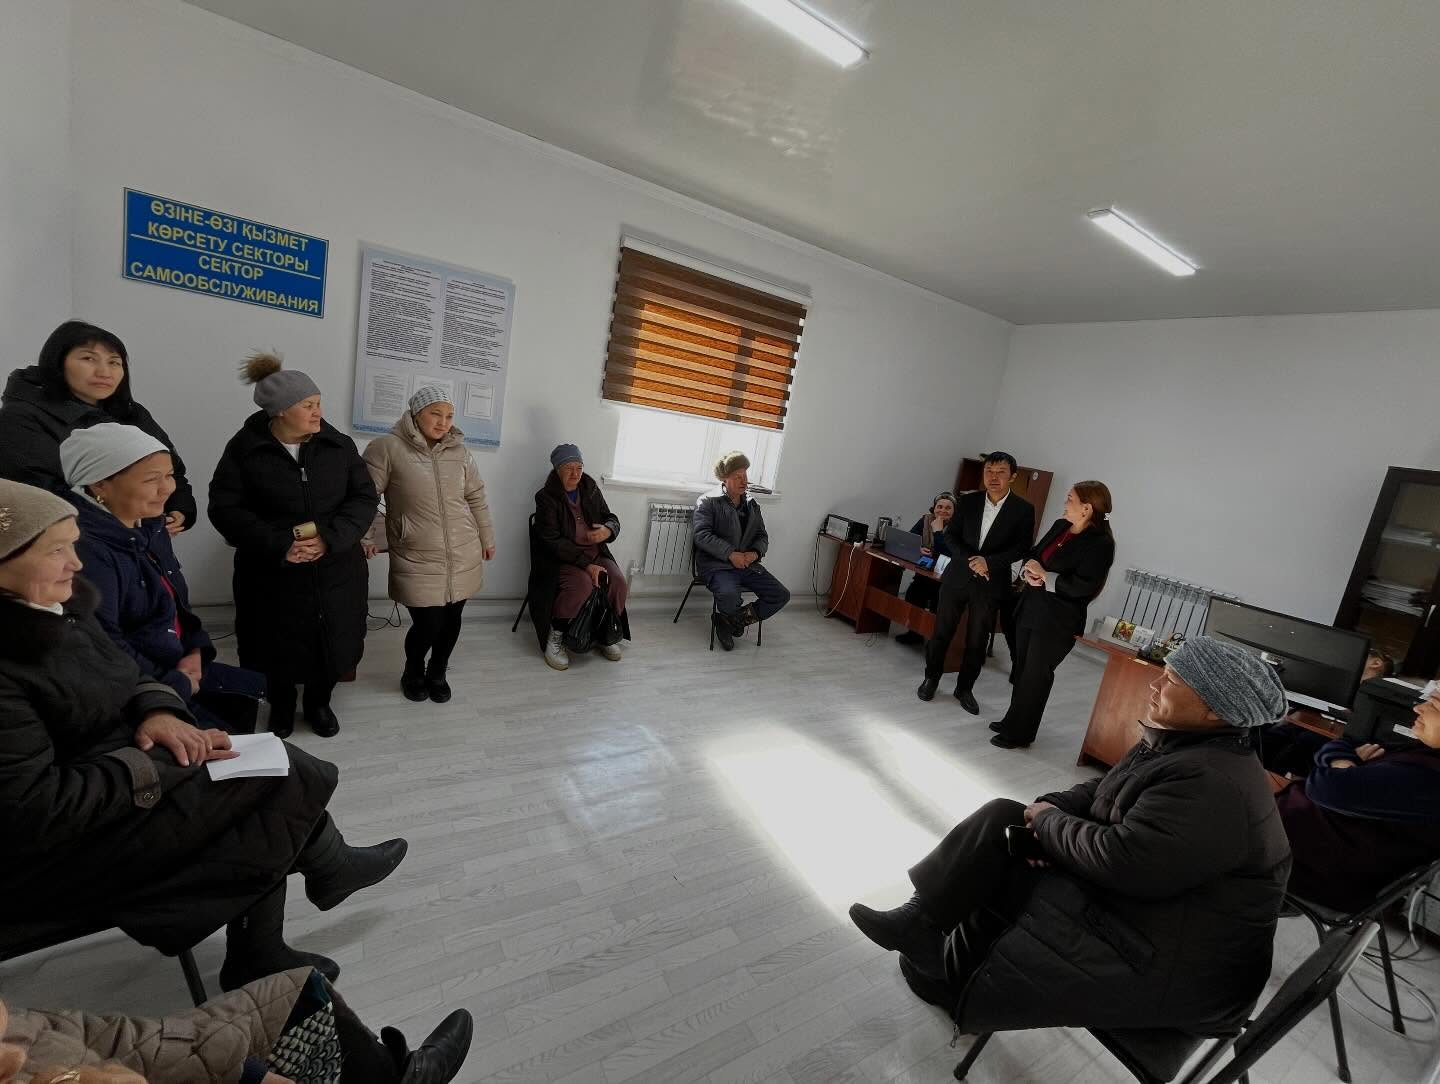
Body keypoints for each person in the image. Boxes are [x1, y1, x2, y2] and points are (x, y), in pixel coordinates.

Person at [0, 480, 406, 996]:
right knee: (269, 783)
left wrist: (158, 711)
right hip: (66, 846)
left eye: (73, 546)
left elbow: (126, 676)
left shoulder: (57, 608)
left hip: (115, 773)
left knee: (266, 767)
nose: (76, 565)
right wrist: (155, 765)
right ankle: (316, 883)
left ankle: (296, 909)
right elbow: (33, 810)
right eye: (56, 551)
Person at [849, 637, 1291, 1038]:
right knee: (1007, 821)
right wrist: (1048, 808)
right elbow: (1102, 791)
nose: (1155, 685)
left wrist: (1048, 826)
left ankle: (957, 980)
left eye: (1171, 681)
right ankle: (922, 925)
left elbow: (1123, 861)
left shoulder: (1214, 784)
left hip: (1177, 963)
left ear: (1215, 710)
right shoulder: (1183, 745)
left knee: (1013, 865)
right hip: (1156, 909)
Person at [209, 354, 378, 737]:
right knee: (274, 644)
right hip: (272, 572)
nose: (319, 413)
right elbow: (225, 508)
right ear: (281, 411)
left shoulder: (338, 445)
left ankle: (319, 703)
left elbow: (364, 497)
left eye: (318, 403)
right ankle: (281, 706)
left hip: (336, 568)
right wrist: (280, 544)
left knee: (333, 639)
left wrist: (330, 538)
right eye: (308, 405)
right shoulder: (245, 449)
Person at [58, 424, 267, 730]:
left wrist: (195, 647)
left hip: (176, 663)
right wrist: (174, 681)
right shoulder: (85, 551)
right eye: (151, 479)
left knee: (253, 699)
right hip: (142, 690)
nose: (167, 488)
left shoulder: (147, 525)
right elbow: (104, 645)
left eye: (169, 475)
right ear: (100, 484)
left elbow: (174, 599)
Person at [0, 967, 473, 1084]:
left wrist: (247, 1075)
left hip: (152, 1056)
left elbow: (98, 1036)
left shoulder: (19, 1040)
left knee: (300, 992)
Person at [362, 386, 496, 704]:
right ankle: (412, 671)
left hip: (462, 550)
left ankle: (438, 672)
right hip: (417, 553)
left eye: (449, 416)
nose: (443, 422)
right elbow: (365, 498)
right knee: (428, 623)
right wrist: (364, 536)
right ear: (415, 413)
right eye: (435, 414)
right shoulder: (386, 448)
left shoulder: (460, 452)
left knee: (452, 619)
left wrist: (486, 537)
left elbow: (476, 497)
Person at [0, 321, 195, 536]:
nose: (104, 372)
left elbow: (171, 469)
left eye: (114, 362)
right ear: (57, 363)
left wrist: (178, 507)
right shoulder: (20, 418)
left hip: (139, 538)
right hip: (71, 541)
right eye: (88, 359)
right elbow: (38, 496)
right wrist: (135, 523)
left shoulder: (132, 413)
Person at [1276, 689, 1440, 912]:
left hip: (1300, 872)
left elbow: (1325, 787)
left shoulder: (1429, 782)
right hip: (1290, 837)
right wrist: (1344, 763)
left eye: (1434, 705)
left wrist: (1343, 765)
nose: (1418, 708)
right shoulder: (1425, 751)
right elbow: (1342, 746)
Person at [989, 480, 1116, 748]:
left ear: (1086, 508)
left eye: (1070, 499)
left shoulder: (1101, 544)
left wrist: (1046, 577)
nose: (1064, 503)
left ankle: (1020, 733)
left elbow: (1083, 586)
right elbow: (1034, 554)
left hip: (1057, 621)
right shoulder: (1061, 526)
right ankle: (1013, 720)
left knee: (1036, 676)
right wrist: (1028, 571)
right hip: (1030, 607)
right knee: (1022, 670)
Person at [917, 453, 1034, 712]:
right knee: (941, 632)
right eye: (989, 471)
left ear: (1012, 476)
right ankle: (931, 678)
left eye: (1001, 472)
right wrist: (973, 560)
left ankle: (964, 688)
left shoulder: (1023, 509)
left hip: (991, 583)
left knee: (977, 641)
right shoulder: (968, 501)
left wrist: (988, 562)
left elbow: (1022, 547)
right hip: (957, 576)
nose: (994, 477)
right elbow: (951, 537)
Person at [528, 444, 629, 671]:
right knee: (582, 585)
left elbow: (611, 517)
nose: (575, 474)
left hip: (595, 553)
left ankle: (605, 632)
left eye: (579, 468)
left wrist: (608, 530)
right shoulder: (546, 497)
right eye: (568, 468)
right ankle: (556, 636)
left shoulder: (590, 489)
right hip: (563, 559)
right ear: (557, 470)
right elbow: (552, 541)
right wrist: (586, 565)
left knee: (618, 582)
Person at [693, 452, 791, 651]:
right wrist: (731, 553)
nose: (744, 481)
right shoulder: (708, 501)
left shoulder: (752, 505)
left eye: (745, 475)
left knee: (780, 595)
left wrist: (754, 553)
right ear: (724, 478)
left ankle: (729, 622)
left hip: (746, 564)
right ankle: (730, 620)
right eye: (738, 476)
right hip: (716, 565)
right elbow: (701, 535)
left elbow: (762, 536)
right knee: (730, 595)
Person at [895, 491, 956, 645]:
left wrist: (938, 532)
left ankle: (934, 641)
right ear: (933, 508)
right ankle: (914, 634)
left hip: (945, 577)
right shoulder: (925, 519)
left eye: (948, 508)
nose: (943, 510)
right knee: (913, 594)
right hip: (925, 571)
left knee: (938, 603)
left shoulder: (958, 527)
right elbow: (910, 539)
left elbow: (949, 552)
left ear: (954, 511)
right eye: (939, 506)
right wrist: (919, 548)